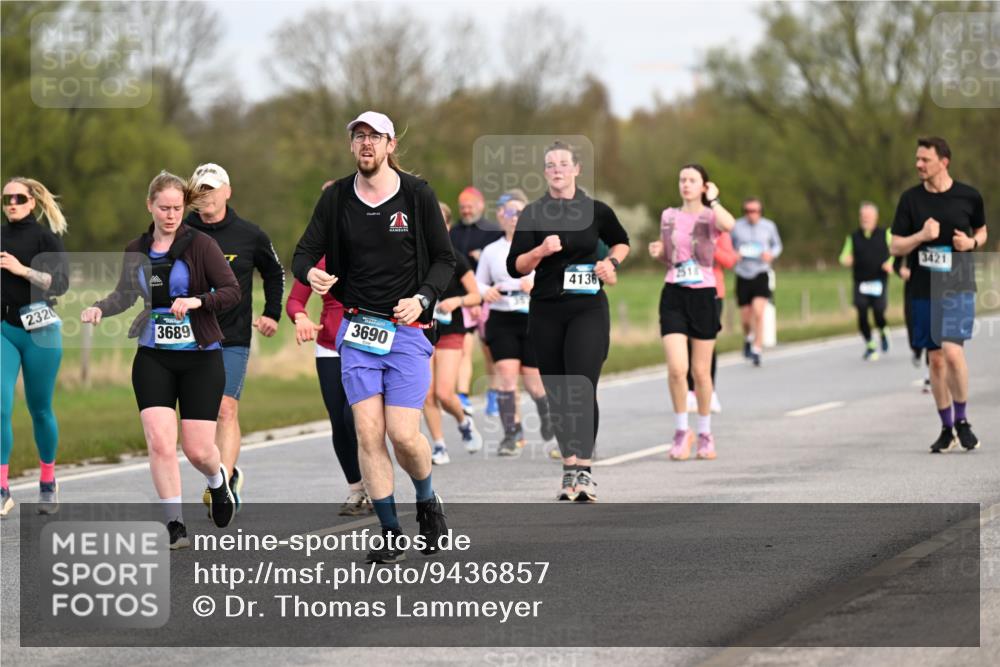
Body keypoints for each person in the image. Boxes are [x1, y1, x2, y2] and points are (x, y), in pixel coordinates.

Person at [291, 111, 453, 563]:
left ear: (390, 145)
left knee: (403, 435)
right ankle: (390, 530)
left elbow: (444, 260)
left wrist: (422, 298)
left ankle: (427, 500)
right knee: (367, 431)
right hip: (358, 329)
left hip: (405, 329)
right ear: (352, 146)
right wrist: (310, 275)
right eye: (358, 137)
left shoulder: (417, 196)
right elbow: (303, 251)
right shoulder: (338, 197)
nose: (365, 144)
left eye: (374, 137)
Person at [81, 171, 241, 548]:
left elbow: (232, 291)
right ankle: (174, 523)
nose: (171, 215)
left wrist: (198, 300)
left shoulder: (201, 245)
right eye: (164, 207)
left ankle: (218, 483)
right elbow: (123, 295)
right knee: (159, 441)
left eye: (177, 208)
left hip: (200, 356)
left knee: (198, 449)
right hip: (154, 355)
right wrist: (100, 308)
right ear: (150, 205)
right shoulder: (135, 249)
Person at [508, 140, 630, 502]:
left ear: (577, 169)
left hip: (588, 308)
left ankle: (585, 471)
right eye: (551, 164)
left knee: (580, 386)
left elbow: (621, 241)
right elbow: (515, 265)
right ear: (545, 173)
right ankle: (569, 470)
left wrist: (611, 264)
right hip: (546, 309)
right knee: (559, 393)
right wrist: (540, 251)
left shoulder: (596, 210)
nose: (557, 169)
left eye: (564, 163)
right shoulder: (533, 213)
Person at [184, 163, 285, 512]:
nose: (205, 196)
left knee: (225, 409)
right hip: (187, 336)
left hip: (232, 335)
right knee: (200, 416)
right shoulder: (179, 231)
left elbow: (274, 273)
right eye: (198, 190)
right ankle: (221, 472)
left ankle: (222, 485)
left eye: (211, 189)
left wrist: (272, 313)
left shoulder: (249, 235)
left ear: (228, 191)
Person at [890, 136, 987, 454]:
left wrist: (970, 244)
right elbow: (895, 246)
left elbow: (982, 230)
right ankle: (946, 427)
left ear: (943, 161)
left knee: (953, 353)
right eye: (917, 159)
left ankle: (962, 420)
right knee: (935, 360)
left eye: (925, 159)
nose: (918, 164)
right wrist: (920, 236)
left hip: (957, 286)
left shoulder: (969, 196)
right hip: (922, 289)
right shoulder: (910, 200)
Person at [649, 165, 736, 461]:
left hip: (704, 296)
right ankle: (681, 430)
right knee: (676, 368)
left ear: (704, 185)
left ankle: (705, 433)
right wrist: (659, 252)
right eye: (682, 180)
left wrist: (713, 200)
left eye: (692, 180)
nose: (685, 185)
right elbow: (670, 259)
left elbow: (730, 224)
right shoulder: (668, 216)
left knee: (701, 371)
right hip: (674, 294)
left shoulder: (711, 216)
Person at [1, 178, 69, 517]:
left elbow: (61, 284)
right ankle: (1, 488)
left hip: (40, 329)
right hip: (4, 330)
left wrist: (21, 269)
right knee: (0, 405)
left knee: (39, 408)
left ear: (32, 202)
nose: (11, 203)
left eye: (18, 198)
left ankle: (47, 481)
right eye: (6, 198)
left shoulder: (46, 238)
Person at [287, 252, 370, 515]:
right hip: (329, 348)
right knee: (338, 419)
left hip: (366, 345)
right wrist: (300, 317)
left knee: (353, 417)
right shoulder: (318, 260)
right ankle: (356, 490)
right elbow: (295, 301)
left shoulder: (372, 248)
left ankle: (376, 486)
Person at [477, 191, 553, 457]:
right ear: (501, 216)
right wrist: (486, 291)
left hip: (531, 315)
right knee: (507, 377)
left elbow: (552, 278)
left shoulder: (538, 247)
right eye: (509, 212)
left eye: (519, 212)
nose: (514, 217)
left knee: (533, 382)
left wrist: (535, 285)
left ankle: (547, 416)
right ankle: (513, 433)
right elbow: (479, 282)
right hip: (501, 316)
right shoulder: (491, 250)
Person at [424, 202, 483, 464]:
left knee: (444, 393)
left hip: (451, 330)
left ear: (447, 227)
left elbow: (475, 295)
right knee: (426, 393)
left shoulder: (457, 258)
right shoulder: (415, 258)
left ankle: (463, 421)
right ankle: (439, 445)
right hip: (422, 331)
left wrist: (455, 302)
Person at [449, 187, 503, 417]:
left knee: (490, 350)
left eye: (470, 206)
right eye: (462, 207)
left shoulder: (494, 231)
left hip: (489, 297)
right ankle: (462, 394)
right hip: (464, 298)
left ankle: (494, 391)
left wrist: (484, 258)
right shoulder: (454, 232)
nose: (466, 210)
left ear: (481, 205)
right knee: (463, 348)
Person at [685, 226, 738, 414]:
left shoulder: (720, 231)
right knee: (686, 342)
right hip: (685, 290)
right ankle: (690, 392)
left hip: (713, 292)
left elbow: (730, 260)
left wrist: (711, 247)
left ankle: (710, 391)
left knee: (707, 344)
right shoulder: (684, 225)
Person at [730, 197, 782, 366]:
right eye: (747, 211)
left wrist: (771, 254)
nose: (751, 214)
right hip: (743, 274)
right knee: (745, 318)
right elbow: (727, 247)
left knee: (759, 313)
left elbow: (777, 245)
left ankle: (757, 349)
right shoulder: (736, 226)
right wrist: (734, 255)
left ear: (760, 212)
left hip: (761, 272)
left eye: (754, 211)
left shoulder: (769, 226)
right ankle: (748, 337)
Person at [840, 202, 893, 361]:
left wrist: (890, 263)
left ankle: (883, 331)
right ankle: (870, 345)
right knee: (862, 313)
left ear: (876, 218)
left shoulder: (886, 233)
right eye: (863, 216)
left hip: (879, 280)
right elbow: (843, 256)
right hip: (861, 281)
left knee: (878, 313)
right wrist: (846, 260)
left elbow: (896, 251)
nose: (865, 219)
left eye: (868, 216)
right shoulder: (853, 237)